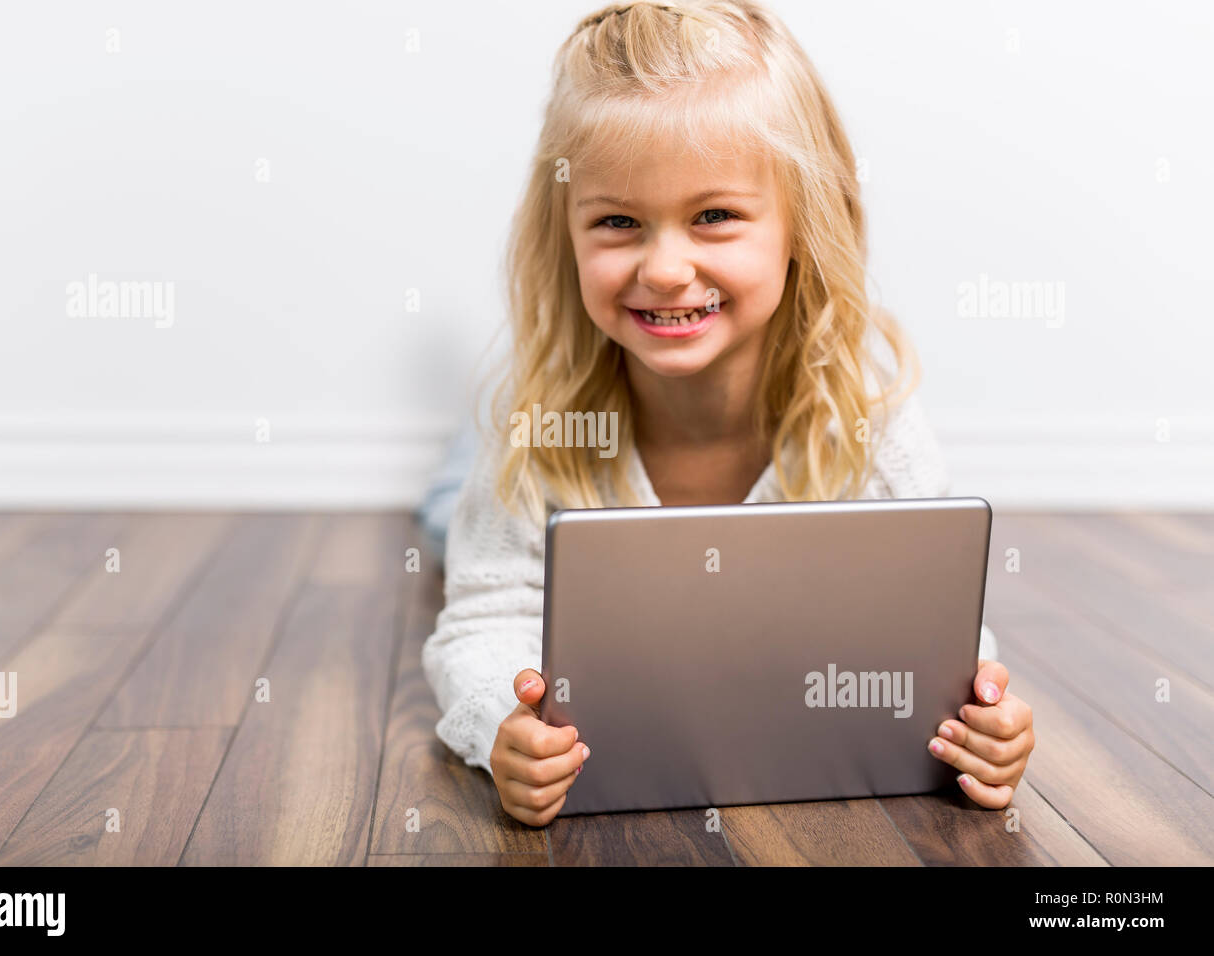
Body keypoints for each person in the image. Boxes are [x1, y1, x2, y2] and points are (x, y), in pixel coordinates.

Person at [420, 0, 1033, 826]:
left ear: (799, 228)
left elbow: (936, 634)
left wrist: (981, 718)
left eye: (713, 216)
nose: (667, 268)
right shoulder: (539, 422)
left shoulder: (870, 420)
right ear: (565, 231)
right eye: (618, 222)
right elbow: (485, 618)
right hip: (556, 424)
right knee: (445, 518)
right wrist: (502, 722)